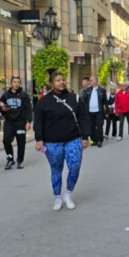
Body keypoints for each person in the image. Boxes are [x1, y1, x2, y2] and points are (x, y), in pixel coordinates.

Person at [34, 72, 90, 210]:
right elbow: (38, 122)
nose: (61, 82)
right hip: (52, 142)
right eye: (58, 80)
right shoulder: (44, 101)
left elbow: (83, 118)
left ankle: (68, 193)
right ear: (52, 83)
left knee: (75, 167)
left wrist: (85, 137)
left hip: (73, 139)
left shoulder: (74, 98)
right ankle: (57, 197)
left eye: (63, 80)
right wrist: (39, 139)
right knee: (56, 169)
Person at [0, 76, 32, 170]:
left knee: (21, 142)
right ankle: (10, 159)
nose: (16, 84)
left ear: (20, 84)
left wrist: (28, 121)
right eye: (14, 82)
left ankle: (20, 161)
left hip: (20, 122)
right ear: (11, 83)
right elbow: (1, 105)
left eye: (18, 82)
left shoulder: (24, 95)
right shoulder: (5, 95)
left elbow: (28, 109)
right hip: (9, 122)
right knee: (6, 140)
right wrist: (2, 108)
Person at [81, 76, 107, 147]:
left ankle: (99, 140)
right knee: (91, 126)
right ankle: (94, 140)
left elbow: (105, 102)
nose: (90, 81)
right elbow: (83, 99)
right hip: (90, 111)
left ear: (96, 81)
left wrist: (106, 112)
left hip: (99, 111)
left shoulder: (102, 90)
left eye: (91, 80)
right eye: (89, 80)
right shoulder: (88, 90)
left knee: (99, 126)